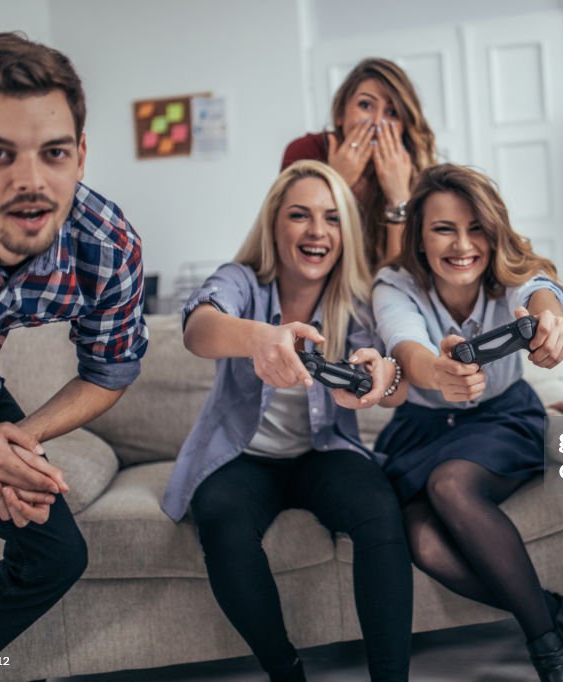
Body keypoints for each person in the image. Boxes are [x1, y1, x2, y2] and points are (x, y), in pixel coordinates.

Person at [0, 32, 149, 677]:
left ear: (80, 156)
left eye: (53, 152)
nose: (31, 182)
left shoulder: (105, 248)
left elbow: (109, 370)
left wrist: (15, 440)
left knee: (57, 558)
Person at [372, 163, 563, 682]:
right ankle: (562, 615)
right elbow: (405, 345)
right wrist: (438, 372)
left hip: (502, 420)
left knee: (450, 485)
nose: (462, 244)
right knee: (422, 542)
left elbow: (538, 292)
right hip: (421, 429)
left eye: (475, 228)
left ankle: (552, 661)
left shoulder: (509, 275)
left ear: (493, 234)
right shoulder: (393, 283)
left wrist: (549, 319)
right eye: (443, 228)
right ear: (419, 238)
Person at [161, 160, 412, 682]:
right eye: (300, 215)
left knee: (379, 511)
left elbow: (394, 385)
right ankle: (286, 672)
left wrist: (381, 380)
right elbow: (198, 328)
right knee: (222, 519)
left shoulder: (360, 304)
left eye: (331, 218)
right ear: (275, 224)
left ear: (345, 231)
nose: (317, 231)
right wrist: (260, 338)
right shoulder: (240, 282)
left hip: (323, 453)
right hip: (242, 456)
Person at [281, 57, 436, 271]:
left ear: (404, 126)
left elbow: (403, 279)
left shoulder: (417, 169)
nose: (377, 121)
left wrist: (398, 198)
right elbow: (294, 251)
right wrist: (336, 182)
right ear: (340, 115)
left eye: (392, 113)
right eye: (366, 105)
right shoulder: (306, 151)